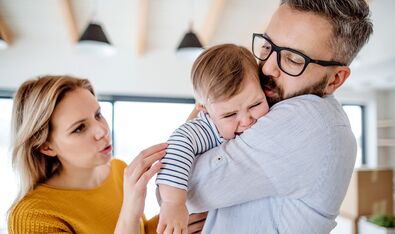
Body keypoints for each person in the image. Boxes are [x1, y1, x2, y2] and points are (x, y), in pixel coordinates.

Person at [183, 0, 374, 233]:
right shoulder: (270, 110)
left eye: (294, 59)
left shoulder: (310, 120)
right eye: (266, 47)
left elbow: (182, 189)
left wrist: (206, 108)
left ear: (335, 79)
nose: (266, 68)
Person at [7, 75, 207, 234]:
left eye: (98, 115)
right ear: (46, 147)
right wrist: (130, 208)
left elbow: (140, 231)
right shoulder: (32, 215)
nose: (102, 130)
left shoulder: (119, 169)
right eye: (79, 128)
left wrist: (171, 225)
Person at [155, 44, 269, 233]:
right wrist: (173, 203)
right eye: (230, 115)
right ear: (205, 110)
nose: (246, 120)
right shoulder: (205, 129)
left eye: (255, 104)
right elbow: (178, 145)